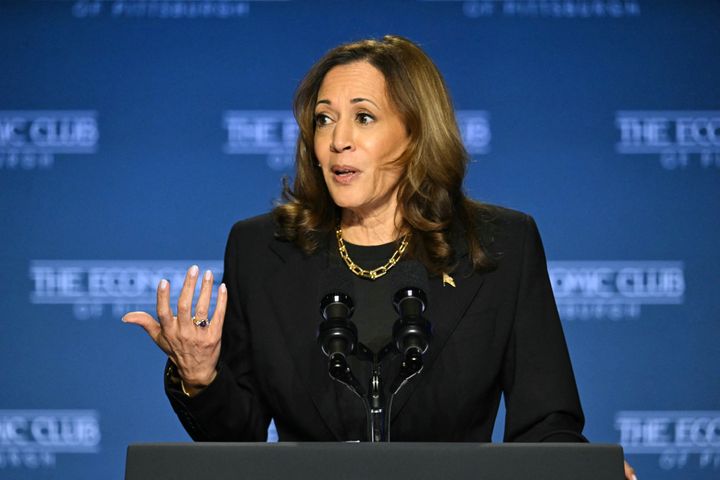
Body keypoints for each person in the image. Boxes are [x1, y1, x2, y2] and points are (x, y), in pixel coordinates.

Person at [124, 35, 636, 479]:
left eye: (363, 118)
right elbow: (238, 440)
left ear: (415, 133)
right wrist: (200, 376)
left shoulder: (499, 245)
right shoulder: (263, 251)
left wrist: (582, 470)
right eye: (324, 120)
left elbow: (547, 425)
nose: (338, 141)